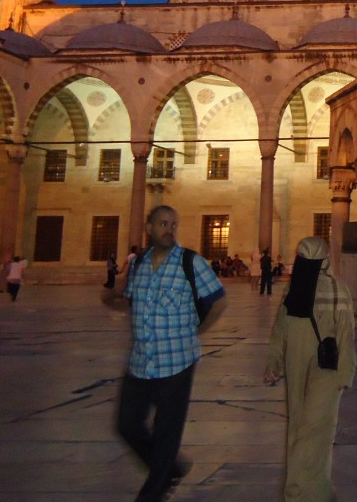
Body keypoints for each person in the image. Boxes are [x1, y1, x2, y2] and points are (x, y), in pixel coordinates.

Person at [103, 205, 226, 502]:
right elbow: (133, 303)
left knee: (166, 433)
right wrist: (111, 300)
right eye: (162, 223)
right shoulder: (139, 263)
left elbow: (218, 302)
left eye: (174, 224)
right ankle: (169, 467)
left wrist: (197, 331)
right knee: (127, 424)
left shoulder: (190, 262)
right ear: (149, 228)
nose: (169, 229)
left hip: (177, 361)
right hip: (141, 361)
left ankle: (154, 491)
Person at [264, 236, 356, 502]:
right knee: (299, 428)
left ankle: (299, 491)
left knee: (314, 429)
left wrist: (345, 372)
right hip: (296, 364)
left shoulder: (337, 290)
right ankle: (317, 490)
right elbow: (280, 329)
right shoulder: (292, 291)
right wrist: (274, 360)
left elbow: (345, 335)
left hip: (326, 369)